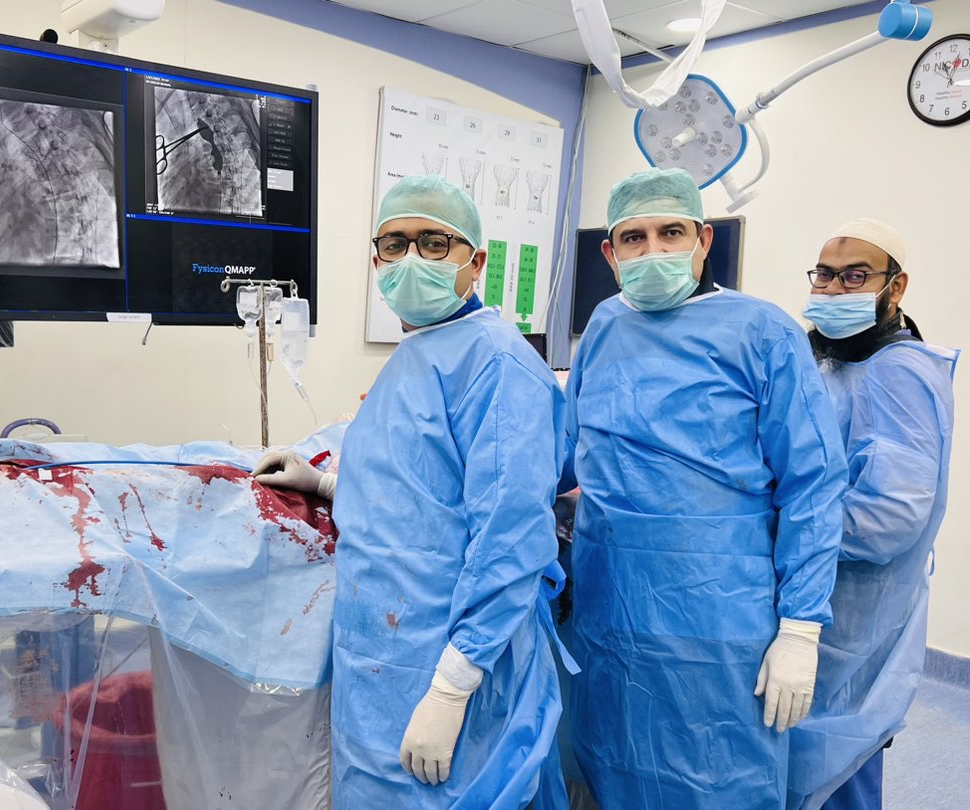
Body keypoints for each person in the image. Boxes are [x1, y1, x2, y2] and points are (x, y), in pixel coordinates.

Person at [254, 174, 568, 808]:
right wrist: (323, 483)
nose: (411, 259)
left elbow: (510, 538)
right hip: (381, 659)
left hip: (453, 663)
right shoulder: (419, 354)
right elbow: (416, 495)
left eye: (434, 242)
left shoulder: (498, 365)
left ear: (476, 261)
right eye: (394, 244)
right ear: (377, 261)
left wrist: (454, 685)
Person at [561, 167, 847, 809]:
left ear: (703, 238)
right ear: (610, 252)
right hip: (611, 607)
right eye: (633, 238)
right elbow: (568, 447)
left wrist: (801, 627)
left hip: (717, 618)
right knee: (614, 765)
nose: (652, 250)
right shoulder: (604, 325)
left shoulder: (763, 332)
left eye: (671, 232)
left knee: (718, 780)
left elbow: (813, 485)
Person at [787, 219, 958, 810]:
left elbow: (888, 519)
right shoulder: (829, 361)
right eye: (825, 275)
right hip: (810, 597)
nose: (834, 290)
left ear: (896, 286)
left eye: (855, 277)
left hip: (853, 616)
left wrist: (777, 524)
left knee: (839, 763)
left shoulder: (898, 373)